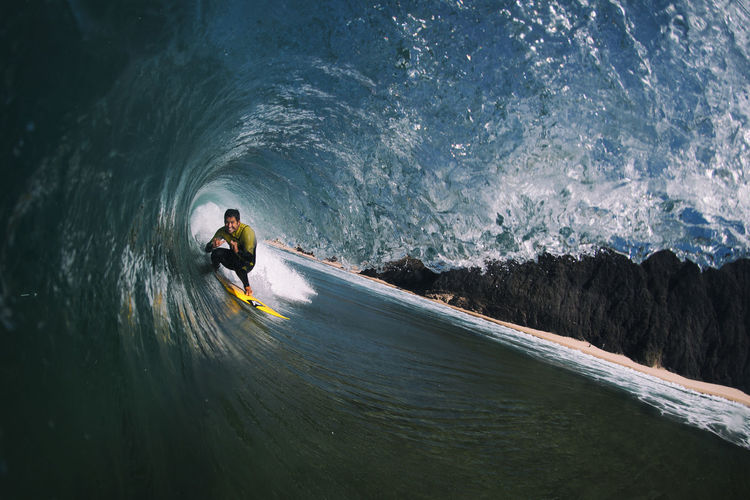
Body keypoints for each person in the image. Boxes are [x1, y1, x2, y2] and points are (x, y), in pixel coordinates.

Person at [205, 208, 257, 295]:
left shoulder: (247, 233)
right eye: (227, 222)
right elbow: (207, 249)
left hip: (247, 263)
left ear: (238, 222)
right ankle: (215, 269)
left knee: (238, 263)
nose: (229, 226)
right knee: (216, 253)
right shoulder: (222, 231)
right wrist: (212, 246)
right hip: (233, 259)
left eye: (232, 222)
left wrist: (237, 251)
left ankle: (248, 287)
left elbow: (250, 258)